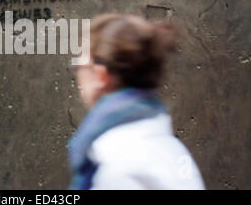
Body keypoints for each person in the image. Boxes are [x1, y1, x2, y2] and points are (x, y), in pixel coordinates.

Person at [68, 13, 205, 190]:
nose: (78, 75)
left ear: (100, 75)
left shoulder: (115, 163)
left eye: (80, 66)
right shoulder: (172, 149)